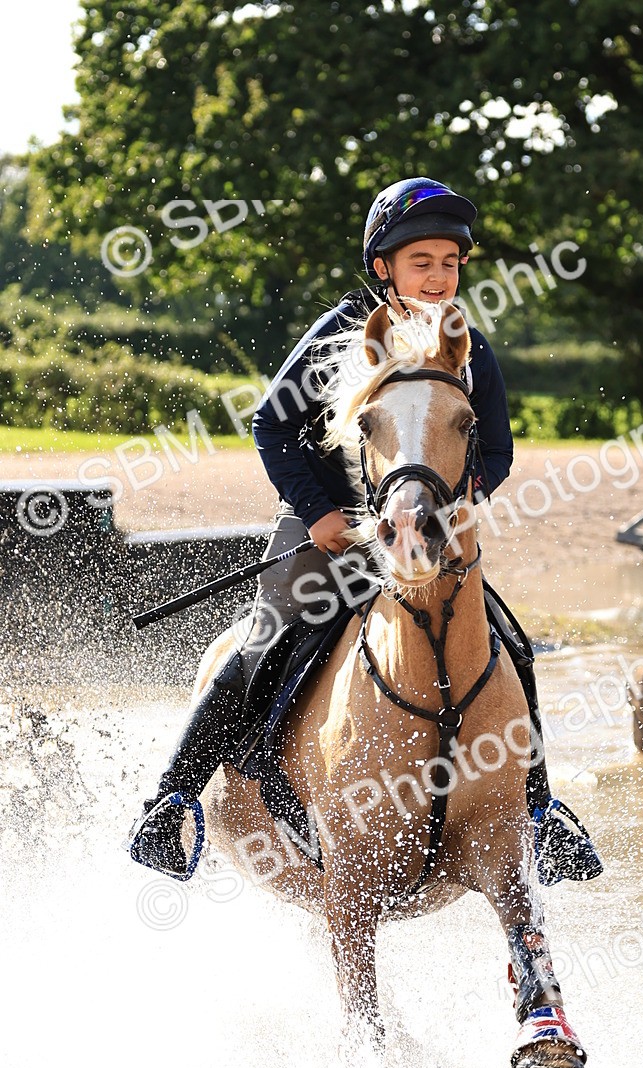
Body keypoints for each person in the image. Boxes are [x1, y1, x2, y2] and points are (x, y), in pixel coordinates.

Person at [129, 177, 600, 887]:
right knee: (266, 638)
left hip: (427, 540)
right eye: (422, 262)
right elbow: (272, 425)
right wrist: (320, 514)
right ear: (383, 267)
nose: (438, 276)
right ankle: (169, 801)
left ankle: (540, 811)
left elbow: (495, 448)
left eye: (450, 262)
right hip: (332, 531)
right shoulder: (342, 329)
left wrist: (465, 501)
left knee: (511, 646)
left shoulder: (470, 350)